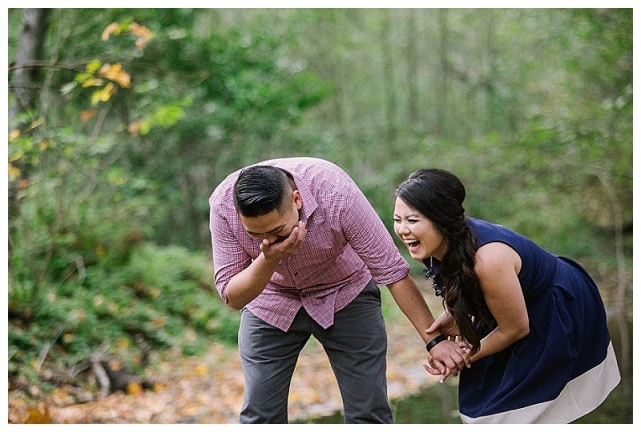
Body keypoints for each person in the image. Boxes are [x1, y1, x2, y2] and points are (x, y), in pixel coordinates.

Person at [209, 157, 467, 424]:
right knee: (259, 416)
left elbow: (391, 271)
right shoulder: (222, 206)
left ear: (297, 199)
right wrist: (268, 259)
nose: (268, 241)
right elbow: (232, 295)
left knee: (368, 412)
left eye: (277, 231)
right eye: (256, 235)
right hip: (271, 300)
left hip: (346, 291)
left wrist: (434, 342)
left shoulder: (335, 192)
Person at [392, 167, 621, 424]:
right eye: (397, 220)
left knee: (519, 411)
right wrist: (455, 312)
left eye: (412, 220)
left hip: (552, 306)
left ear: (442, 220)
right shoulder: (435, 245)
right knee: (483, 403)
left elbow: (515, 329)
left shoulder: (488, 259)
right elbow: (469, 285)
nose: (402, 230)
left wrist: (465, 356)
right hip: (509, 307)